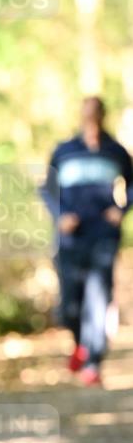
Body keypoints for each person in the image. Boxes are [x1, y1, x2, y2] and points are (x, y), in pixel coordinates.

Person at [40, 96, 133, 386]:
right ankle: (80, 342)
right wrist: (61, 214)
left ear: (103, 116)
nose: (91, 119)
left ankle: (93, 361)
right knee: (69, 303)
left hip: (103, 235)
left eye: (96, 114)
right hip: (69, 237)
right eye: (87, 114)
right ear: (81, 116)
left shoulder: (115, 151)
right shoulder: (64, 151)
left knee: (98, 296)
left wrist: (120, 209)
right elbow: (46, 189)